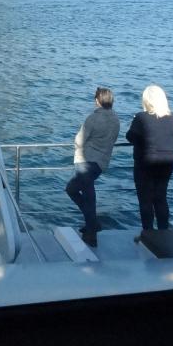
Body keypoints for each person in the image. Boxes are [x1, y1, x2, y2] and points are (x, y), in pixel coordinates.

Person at [65, 87, 120, 248]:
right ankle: (92, 225)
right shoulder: (116, 120)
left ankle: (92, 230)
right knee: (88, 195)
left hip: (85, 161)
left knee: (73, 190)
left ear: (97, 101)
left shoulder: (93, 119)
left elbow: (79, 141)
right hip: (101, 163)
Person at [126, 84, 173, 232]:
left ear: (147, 101)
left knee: (145, 200)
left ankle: (148, 234)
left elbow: (130, 137)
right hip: (167, 163)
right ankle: (164, 233)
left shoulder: (141, 117)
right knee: (161, 198)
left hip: (146, 163)